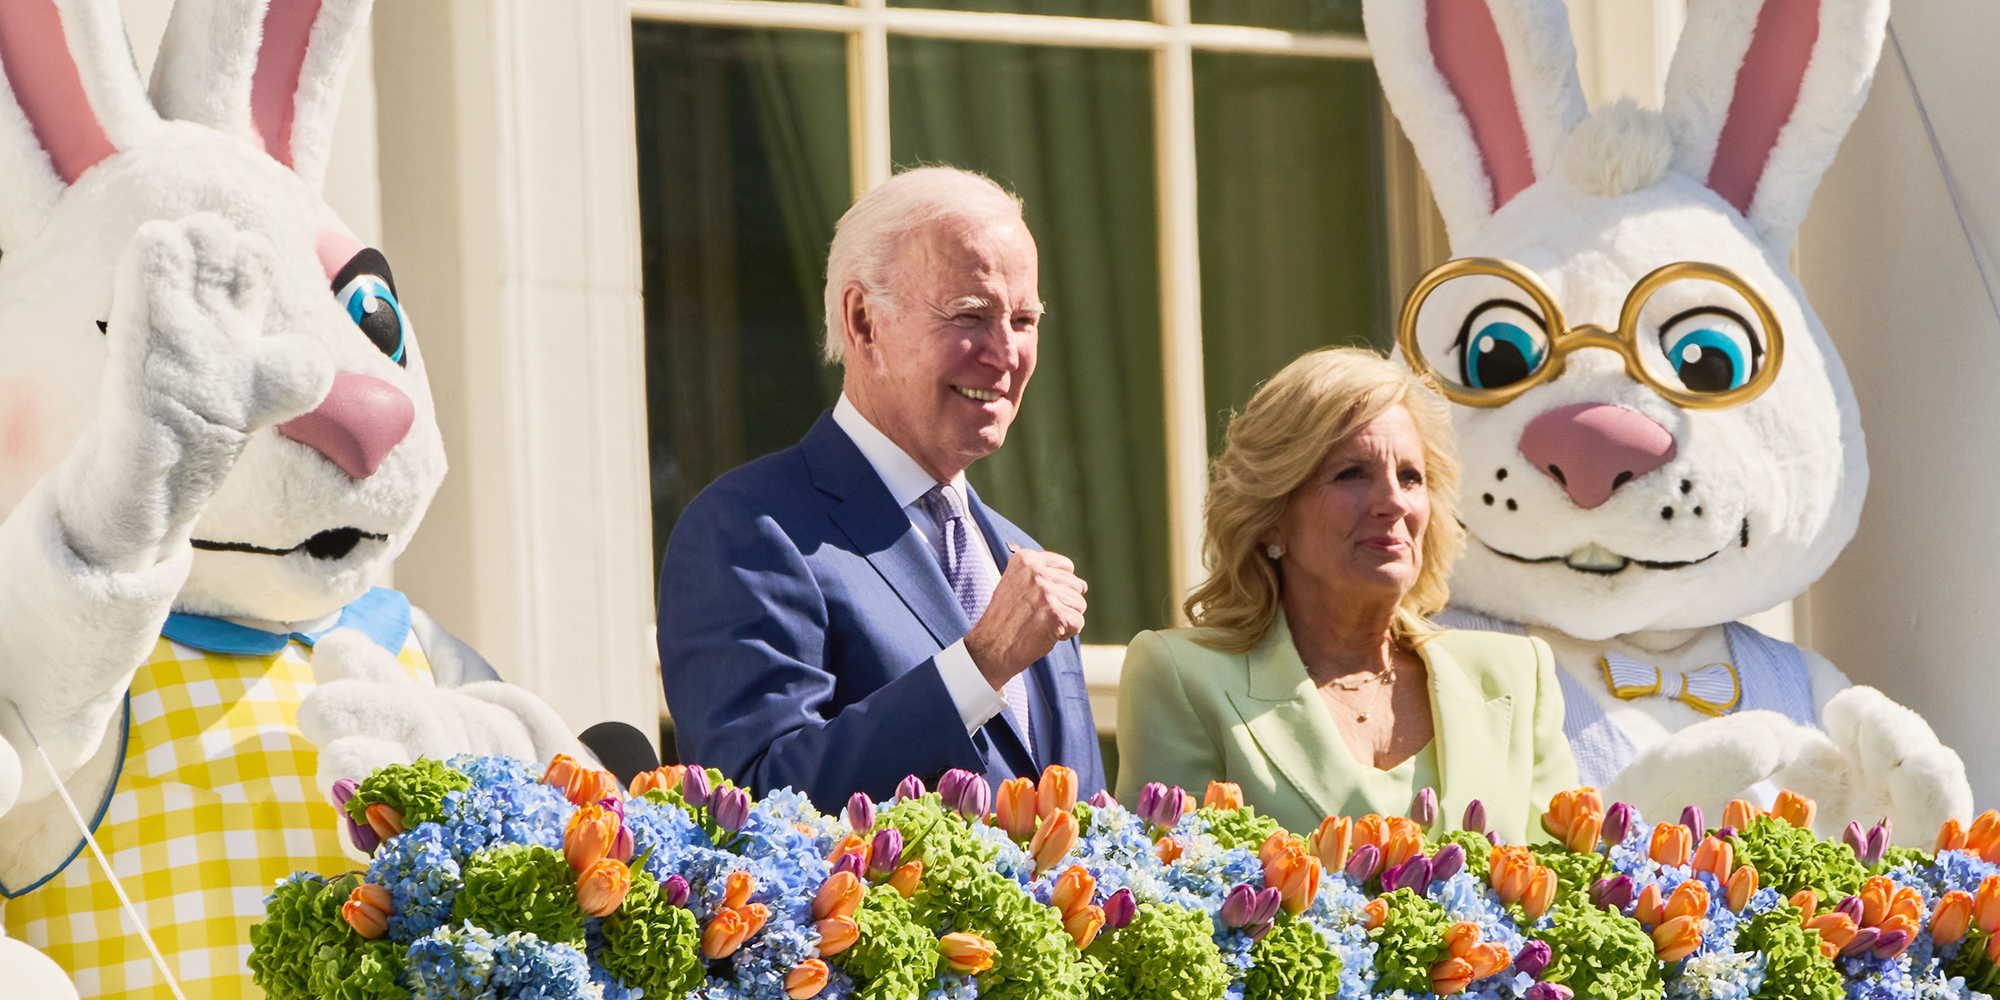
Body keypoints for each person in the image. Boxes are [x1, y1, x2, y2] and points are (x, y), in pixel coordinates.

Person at [658, 167, 1104, 810]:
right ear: (864, 320)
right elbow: (753, 802)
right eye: (971, 315)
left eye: (1025, 319)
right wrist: (978, 667)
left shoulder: (1021, 560)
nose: (1006, 353)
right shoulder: (748, 530)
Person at [1115, 347, 1575, 842]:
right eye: (1352, 474)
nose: (1394, 501)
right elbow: (1171, 892)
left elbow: (1563, 889)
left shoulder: (1515, 675)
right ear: (1271, 516)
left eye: (1410, 477)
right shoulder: (1181, 678)